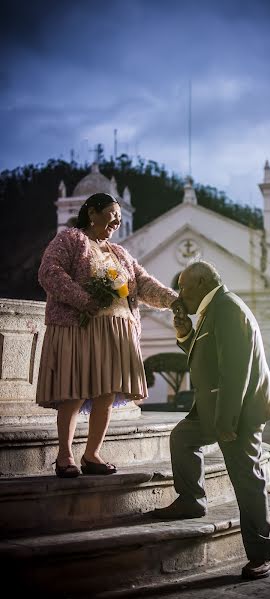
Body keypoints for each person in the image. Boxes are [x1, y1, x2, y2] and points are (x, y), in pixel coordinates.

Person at [151, 260, 270, 581]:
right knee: (182, 438)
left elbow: (235, 371)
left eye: (183, 286)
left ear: (201, 283)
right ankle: (191, 500)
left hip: (238, 411)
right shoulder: (215, 309)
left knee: (247, 480)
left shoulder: (227, 310)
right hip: (215, 407)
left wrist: (227, 421)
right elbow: (207, 355)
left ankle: (265, 554)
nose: (179, 293)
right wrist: (185, 334)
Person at [36, 192, 180, 478]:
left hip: (117, 330)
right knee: (73, 391)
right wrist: (84, 300)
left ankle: (92, 455)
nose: (117, 219)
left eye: (119, 215)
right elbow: (49, 273)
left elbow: (142, 284)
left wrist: (174, 300)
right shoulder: (71, 240)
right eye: (113, 212)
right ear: (92, 212)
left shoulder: (119, 253)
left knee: (106, 392)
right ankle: (64, 456)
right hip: (80, 327)